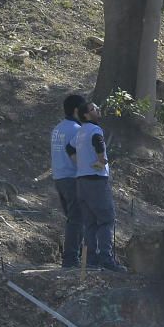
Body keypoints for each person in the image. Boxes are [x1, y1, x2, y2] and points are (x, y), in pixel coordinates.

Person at [66, 102, 126, 272]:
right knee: (106, 219)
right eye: (93, 109)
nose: (98, 109)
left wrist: (80, 162)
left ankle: (91, 260)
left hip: (81, 182)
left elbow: (69, 147)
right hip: (96, 181)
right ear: (86, 115)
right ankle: (106, 259)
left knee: (90, 222)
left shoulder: (79, 132)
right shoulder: (94, 130)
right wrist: (101, 160)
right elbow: (98, 142)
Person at [50, 94, 86, 268]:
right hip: (72, 178)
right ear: (76, 110)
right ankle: (71, 258)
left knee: (73, 218)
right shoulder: (77, 129)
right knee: (77, 219)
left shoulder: (57, 128)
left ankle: (75, 255)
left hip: (59, 178)